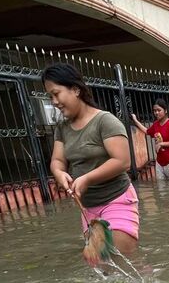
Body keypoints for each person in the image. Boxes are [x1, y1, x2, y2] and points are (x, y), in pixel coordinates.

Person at [45, 63, 138, 254]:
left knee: (122, 261)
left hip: (117, 199)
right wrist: (59, 173)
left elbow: (122, 161)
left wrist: (87, 178)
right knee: (100, 266)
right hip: (87, 207)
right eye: (50, 96)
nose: (54, 101)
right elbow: (58, 160)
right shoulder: (62, 128)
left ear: (75, 90)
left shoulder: (105, 121)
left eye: (56, 93)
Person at [131, 99, 169, 179]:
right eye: (155, 111)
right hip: (159, 162)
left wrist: (161, 144)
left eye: (159, 110)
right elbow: (147, 131)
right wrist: (136, 121)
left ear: (165, 111)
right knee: (161, 188)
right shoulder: (156, 124)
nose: (156, 113)